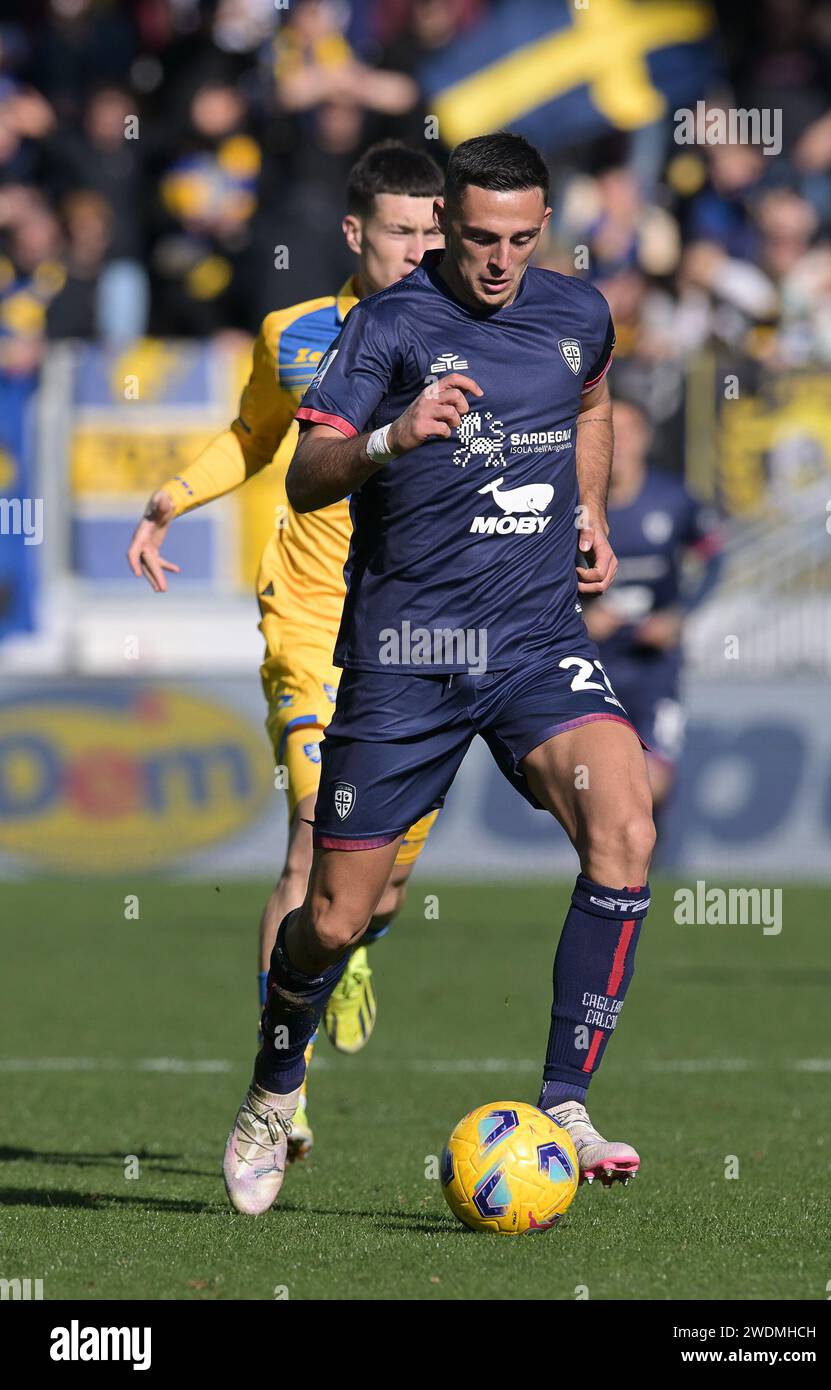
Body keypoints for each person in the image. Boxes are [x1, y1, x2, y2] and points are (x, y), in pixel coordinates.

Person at [223, 131, 657, 1216]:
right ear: (443, 225)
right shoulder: (387, 326)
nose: (499, 259)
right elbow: (308, 480)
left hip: (529, 640)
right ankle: (276, 1085)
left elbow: (591, 402)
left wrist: (590, 504)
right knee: (331, 916)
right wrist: (390, 437)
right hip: (405, 661)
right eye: (476, 238)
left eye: (519, 238)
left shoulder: (575, 313)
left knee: (627, 817)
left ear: (541, 228)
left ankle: (564, 1099)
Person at [127, 140, 445, 1159]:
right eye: (401, 231)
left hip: (424, 631)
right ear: (356, 234)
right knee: (311, 841)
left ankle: (347, 948)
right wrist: (172, 498)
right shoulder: (296, 333)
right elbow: (255, 436)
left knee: (378, 883)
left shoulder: (476, 334)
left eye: (433, 230)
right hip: (310, 616)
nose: (419, 249)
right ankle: (283, 1082)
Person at [583, 397, 724, 814]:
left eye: (628, 432)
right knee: (598, 785)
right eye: (611, 431)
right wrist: (581, 617)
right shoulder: (572, 504)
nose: (620, 442)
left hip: (654, 664)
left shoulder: (675, 499)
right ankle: (612, 871)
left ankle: (637, 867)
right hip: (590, 662)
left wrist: (678, 615)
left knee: (652, 783)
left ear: (646, 438)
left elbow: (715, 557)